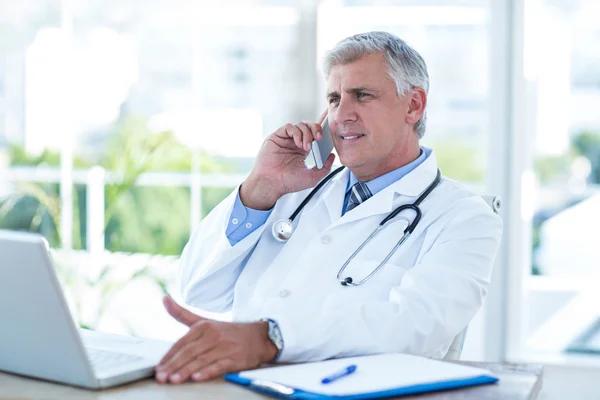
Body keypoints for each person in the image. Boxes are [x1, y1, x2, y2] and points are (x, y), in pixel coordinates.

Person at [154, 31, 502, 385]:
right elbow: (200, 290)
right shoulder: (294, 189)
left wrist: (269, 338)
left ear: (413, 105)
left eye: (362, 96)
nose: (341, 115)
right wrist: (259, 189)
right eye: (334, 99)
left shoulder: (465, 218)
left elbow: (413, 326)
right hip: (244, 388)